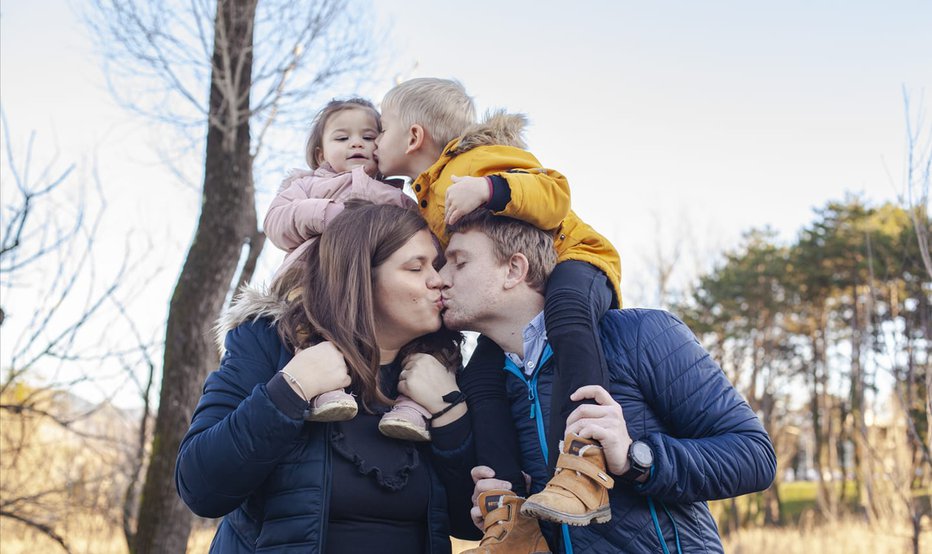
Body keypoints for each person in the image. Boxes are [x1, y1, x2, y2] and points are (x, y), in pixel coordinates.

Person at [438, 210, 777, 553]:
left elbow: (755, 456)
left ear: (514, 269)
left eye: (459, 263)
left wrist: (636, 458)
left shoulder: (641, 335)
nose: (441, 278)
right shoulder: (484, 388)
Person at [374, 77, 622, 543]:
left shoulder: (472, 164)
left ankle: (585, 462)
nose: (372, 142)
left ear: (412, 137)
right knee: (481, 380)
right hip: (525, 292)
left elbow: (555, 195)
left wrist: (491, 191)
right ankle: (508, 515)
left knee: (568, 317)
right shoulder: (425, 196)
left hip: (577, 260)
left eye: (380, 130)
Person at [175, 204, 481, 553]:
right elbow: (200, 488)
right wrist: (290, 389)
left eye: (436, 265)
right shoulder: (270, 345)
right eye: (416, 267)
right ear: (360, 278)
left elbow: (468, 523)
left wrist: (450, 414)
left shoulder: (443, 371)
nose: (438, 280)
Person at [262, 97, 437, 442]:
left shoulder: (394, 196)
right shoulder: (306, 186)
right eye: (342, 138)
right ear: (320, 154)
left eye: (369, 136)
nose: (356, 143)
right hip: (310, 278)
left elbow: (422, 240)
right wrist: (329, 215)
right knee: (308, 326)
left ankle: (412, 408)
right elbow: (276, 222)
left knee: (423, 341)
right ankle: (325, 390)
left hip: (366, 292)